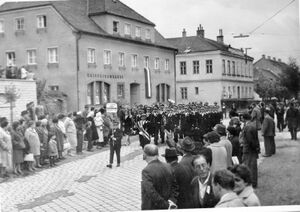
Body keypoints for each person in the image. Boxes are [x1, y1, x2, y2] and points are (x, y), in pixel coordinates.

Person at [141, 144, 178, 210]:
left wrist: (165, 205)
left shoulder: (146, 171)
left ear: (145, 154)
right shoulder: (168, 166)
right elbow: (175, 186)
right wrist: (172, 201)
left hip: (153, 207)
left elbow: (151, 192)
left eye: (143, 151)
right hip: (169, 206)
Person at [240, 113, 260, 188]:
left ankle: (252, 183)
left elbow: (250, 140)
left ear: (244, 119)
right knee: (252, 167)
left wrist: (253, 147)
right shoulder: (252, 125)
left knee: (249, 167)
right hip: (252, 149)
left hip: (249, 150)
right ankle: (253, 183)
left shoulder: (247, 127)